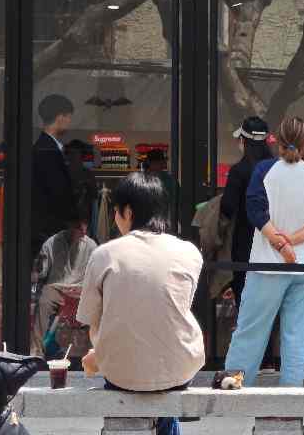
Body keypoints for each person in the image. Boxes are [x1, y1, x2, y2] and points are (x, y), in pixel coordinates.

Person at [78, 172, 203, 435]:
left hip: (120, 373)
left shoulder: (103, 255)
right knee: (165, 388)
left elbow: (92, 320)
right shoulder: (189, 252)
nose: (115, 217)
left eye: (115, 211)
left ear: (128, 212)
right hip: (179, 368)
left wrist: (99, 355)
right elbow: (173, 311)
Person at [224, 116, 304, 387]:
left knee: (250, 333)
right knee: (297, 337)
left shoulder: (265, 170)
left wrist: (280, 243)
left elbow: (255, 210)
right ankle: (290, 398)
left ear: (276, 140)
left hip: (267, 266)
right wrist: (292, 241)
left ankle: (233, 391)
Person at [220, 116, 272, 305]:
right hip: (276, 246)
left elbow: (227, 207)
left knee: (246, 303)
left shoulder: (239, 171)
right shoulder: (277, 168)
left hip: (245, 246)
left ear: (243, 141)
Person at [33, 215, 96, 343]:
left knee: (96, 304)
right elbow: (41, 273)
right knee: (44, 301)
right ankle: (36, 348)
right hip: (57, 287)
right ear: (70, 226)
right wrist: (37, 270)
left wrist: (84, 289)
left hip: (80, 290)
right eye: (78, 228)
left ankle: (92, 347)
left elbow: (96, 275)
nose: (82, 232)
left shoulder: (91, 246)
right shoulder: (52, 243)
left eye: (84, 228)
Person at [32, 94, 79, 258]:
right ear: (60, 117)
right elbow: (58, 193)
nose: (69, 122)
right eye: (69, 117)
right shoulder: (47, 150)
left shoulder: (48, 147)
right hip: (50, 232)